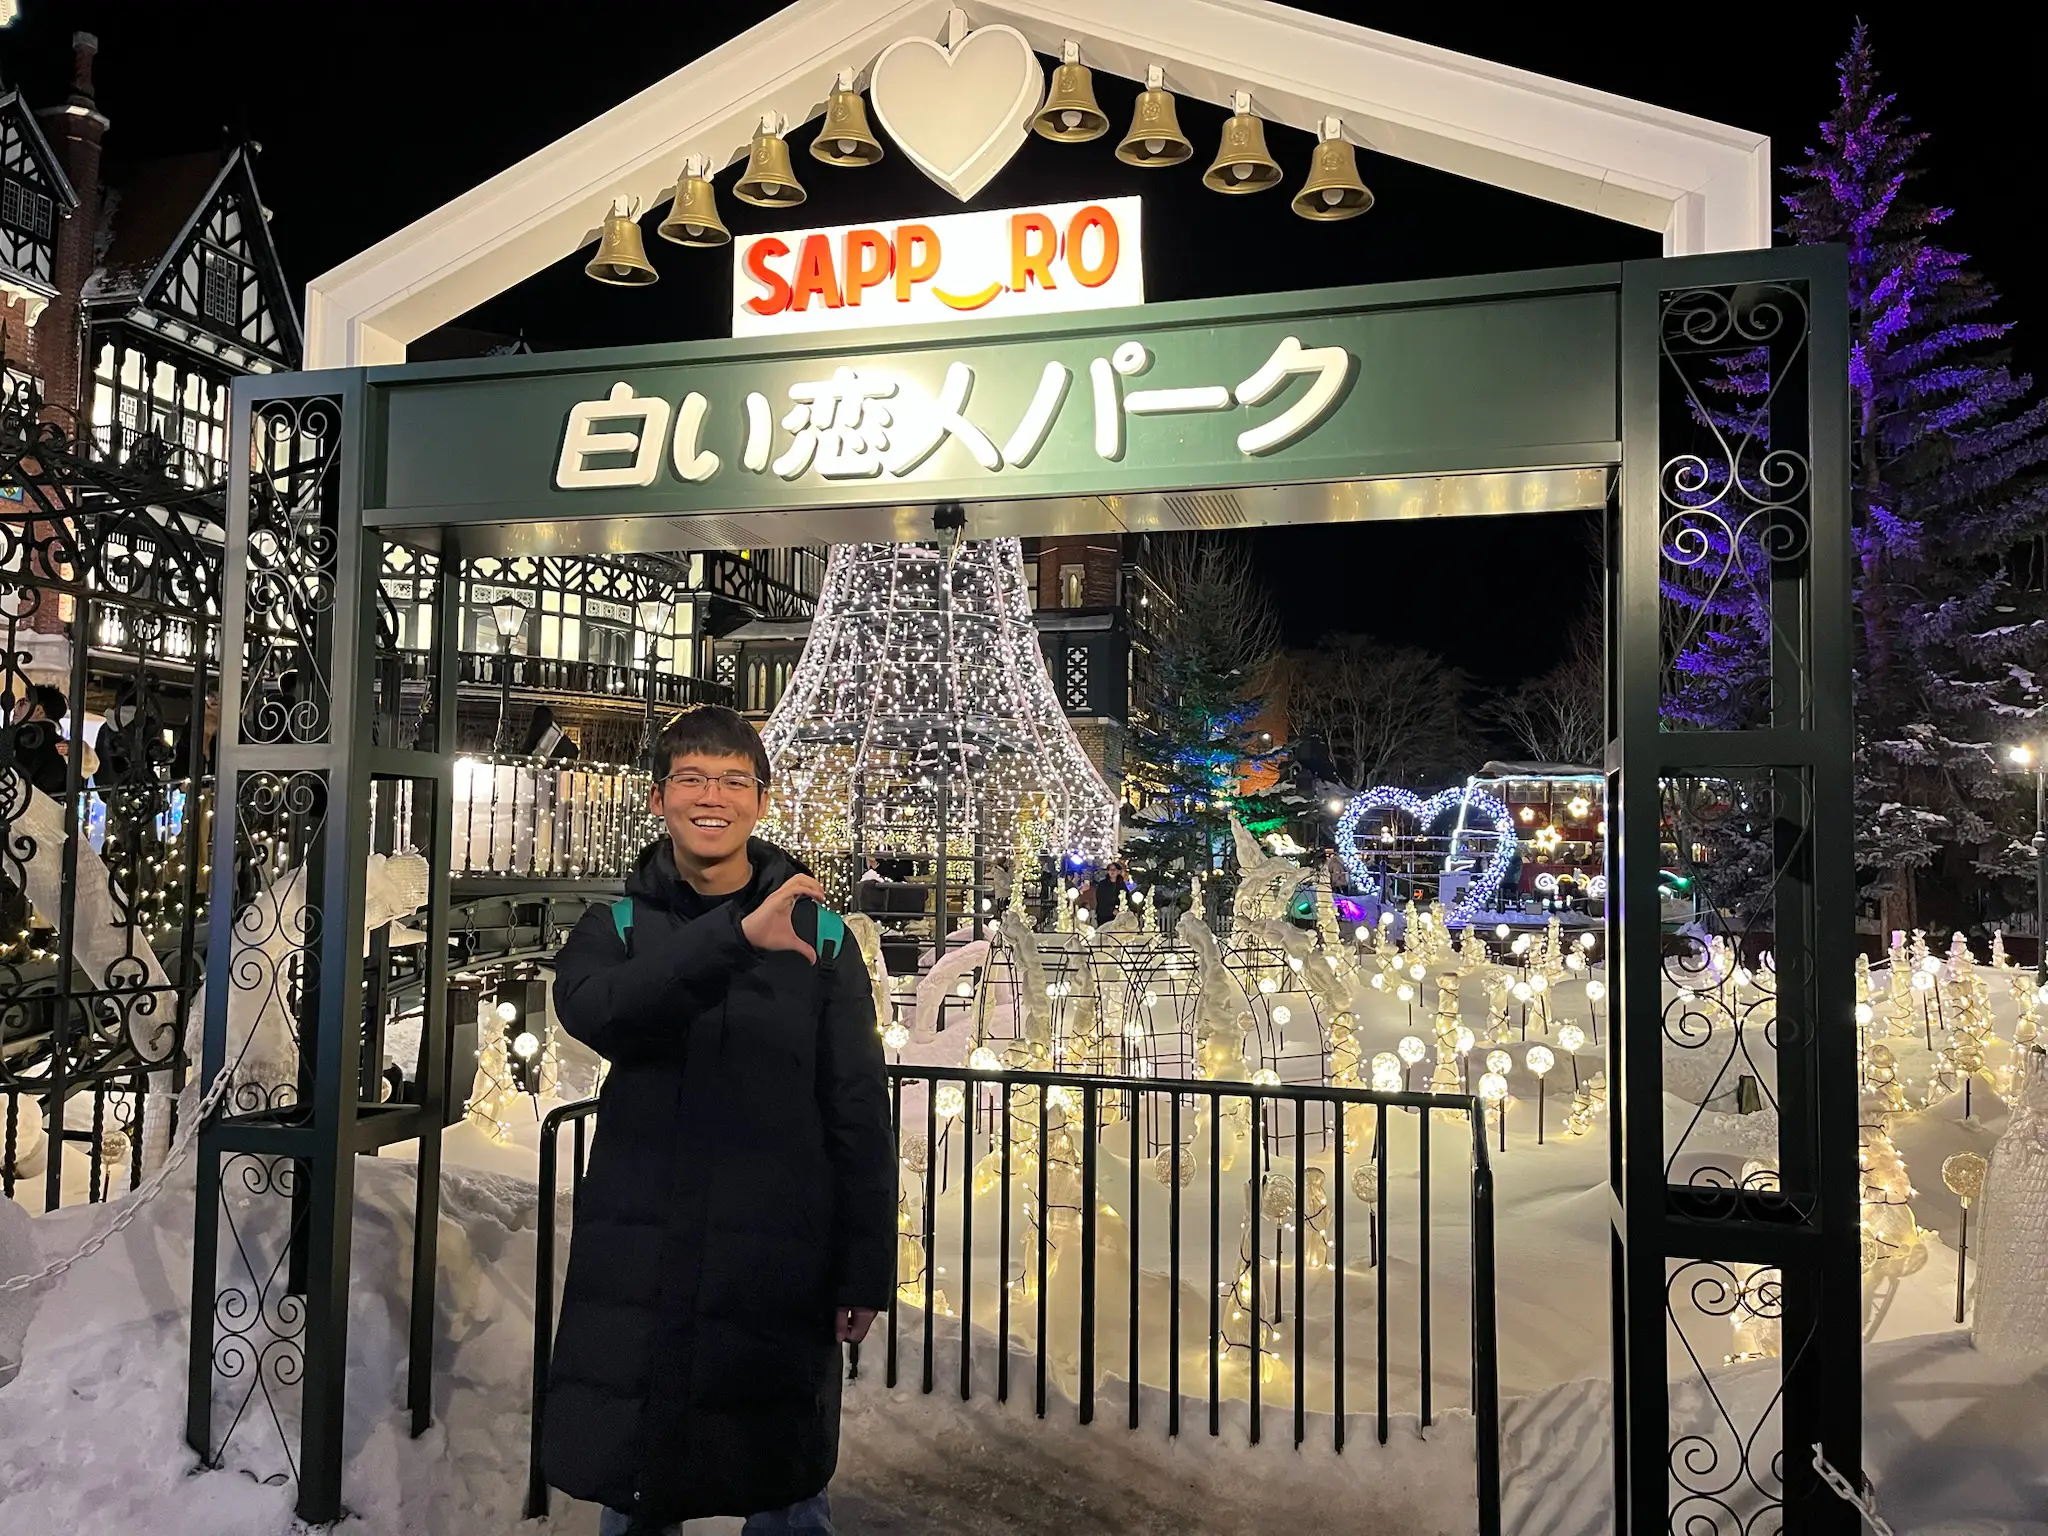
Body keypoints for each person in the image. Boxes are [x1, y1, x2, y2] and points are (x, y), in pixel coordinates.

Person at [547, 705, 894, 1534]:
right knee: (639, 1473)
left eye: (735, 780)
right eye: (693, 778)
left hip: (775, 1261)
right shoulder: (617, 926)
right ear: (659, 797)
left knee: (783, 1480)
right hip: (643, 1256)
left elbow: (856, 1110)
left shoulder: (821, 938)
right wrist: (735, 938)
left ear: (762, 801)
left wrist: (863, 1269)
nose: (714, 797)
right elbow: (597, 1010)